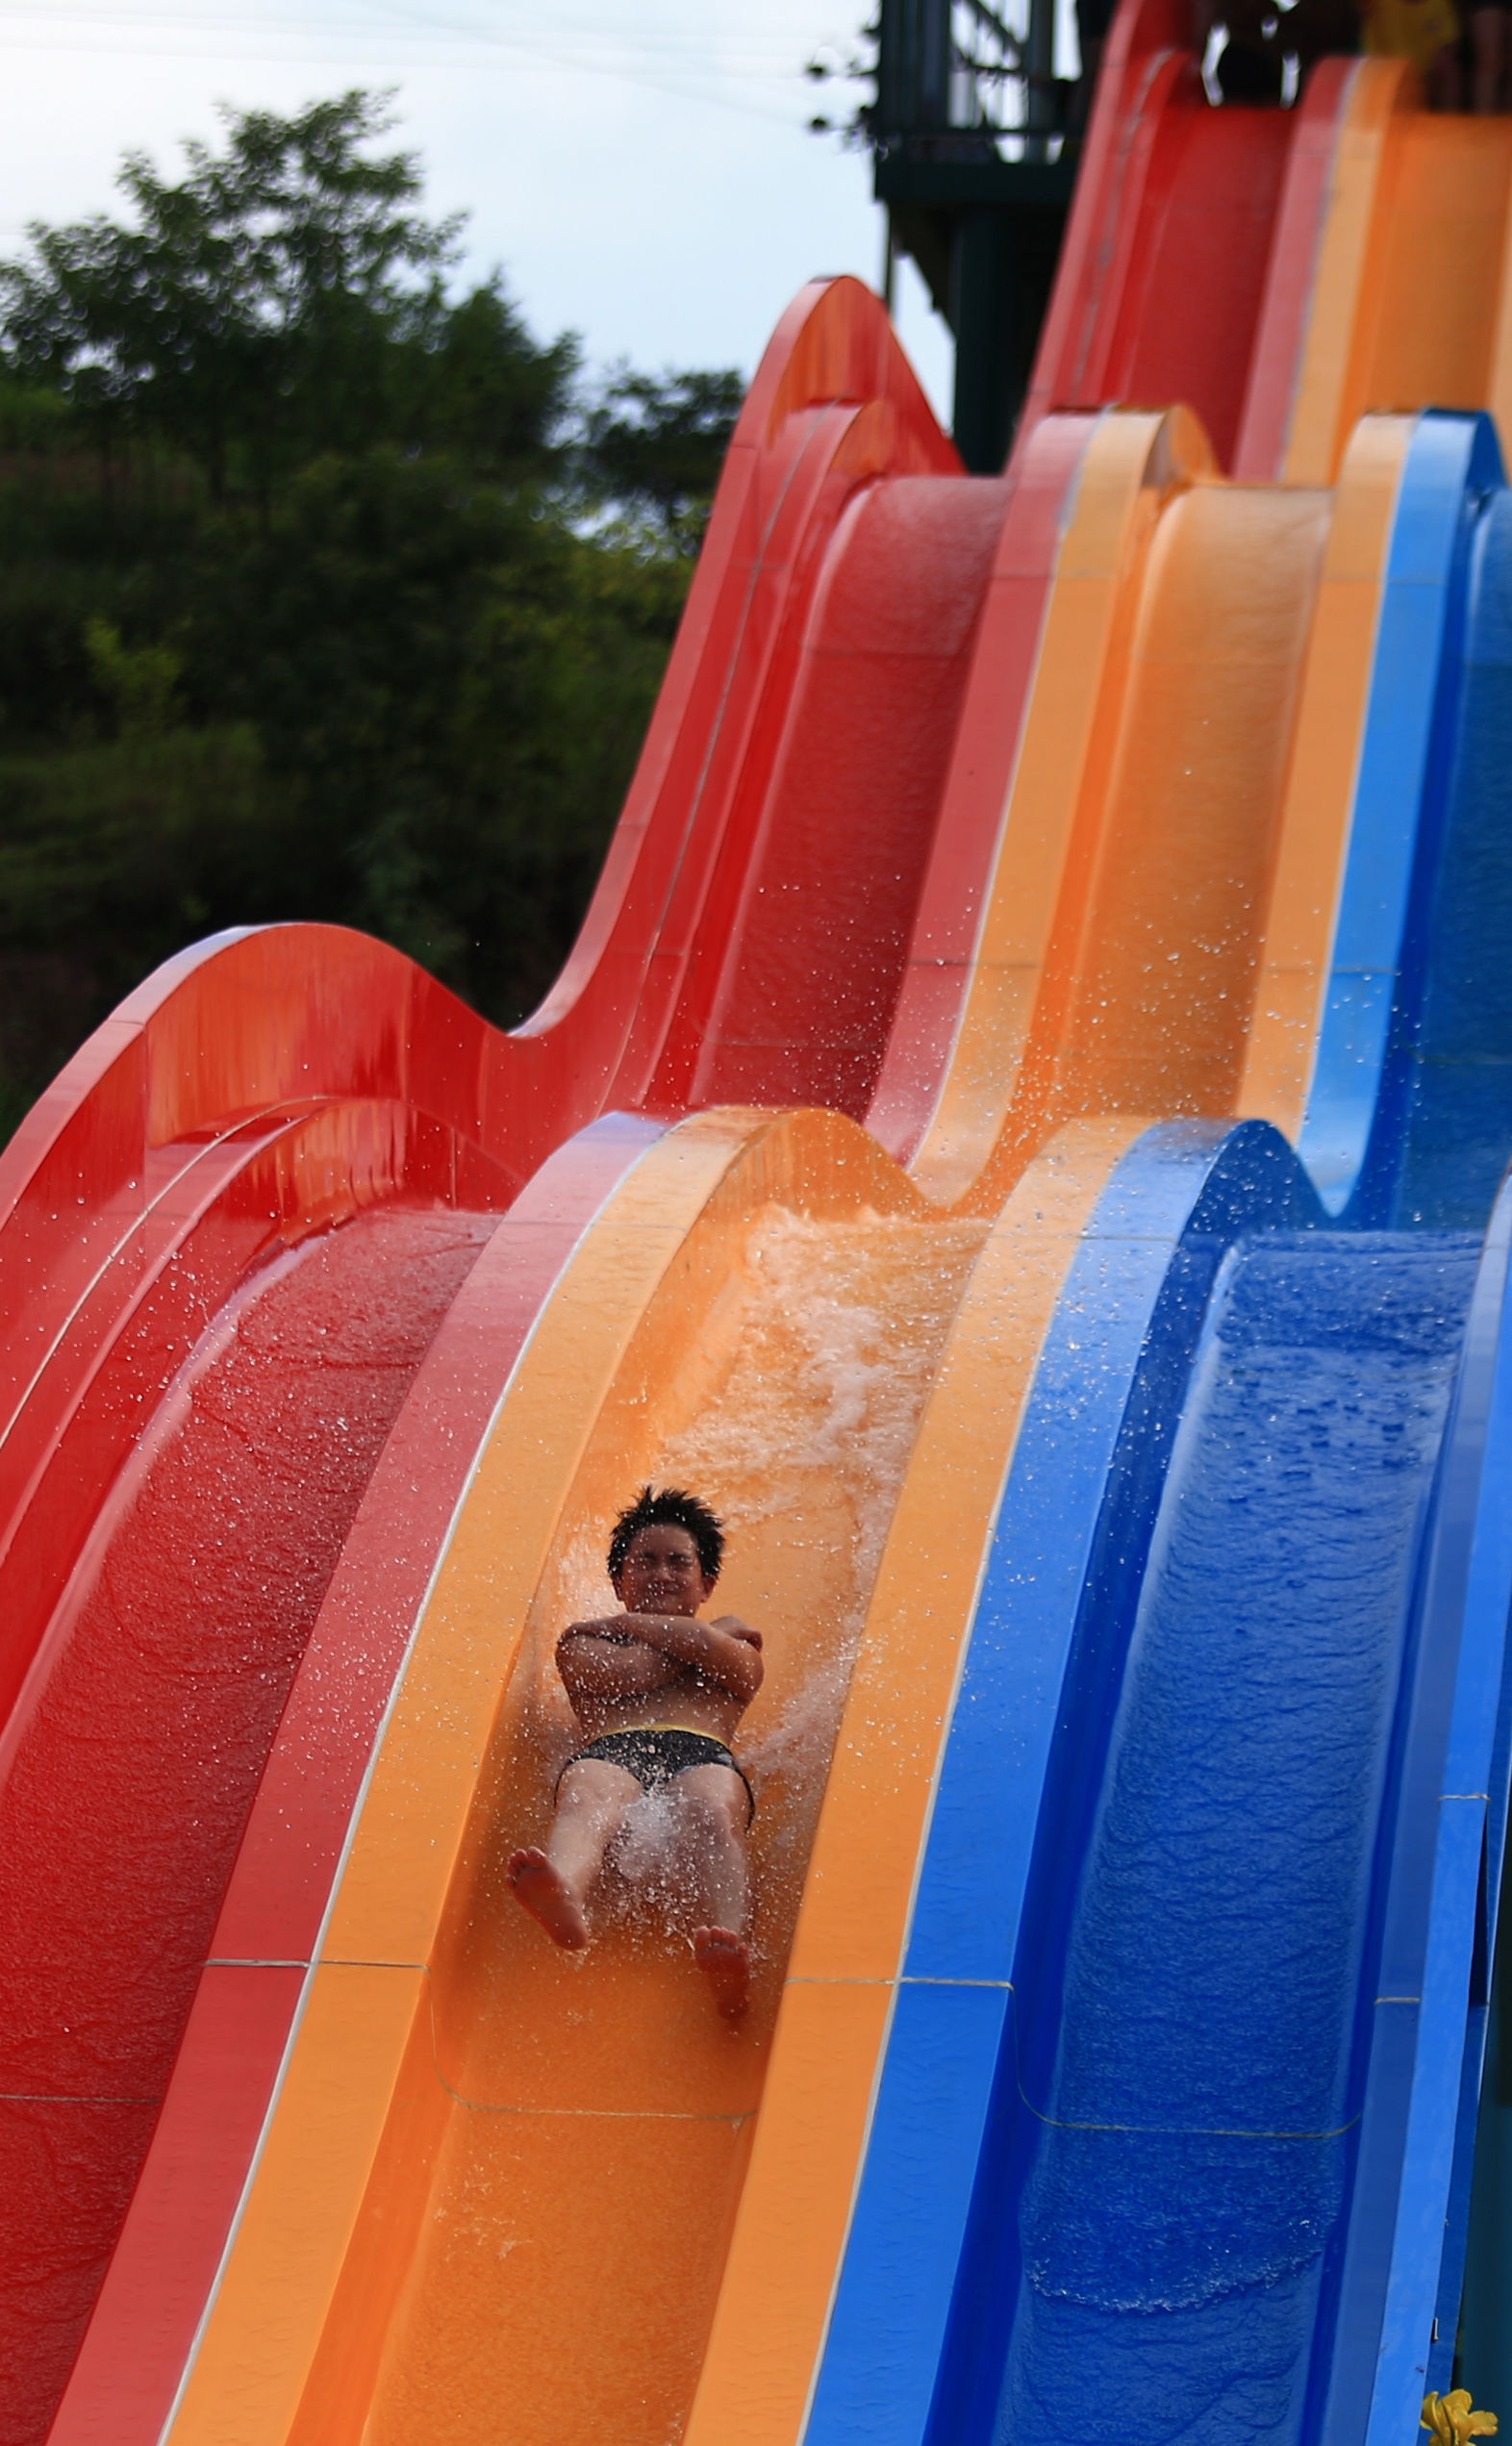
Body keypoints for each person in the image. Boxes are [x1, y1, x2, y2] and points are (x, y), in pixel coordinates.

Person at [507, 1485, 764, 2021]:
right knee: (588, 1792)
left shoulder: (738, 1653)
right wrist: (700, 1635)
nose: (661, 1573)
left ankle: (731, 1951)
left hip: (702, 1755)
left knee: (711, 1806)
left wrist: (642, 1627)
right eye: (644, 1561)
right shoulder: (581, 1645)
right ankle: (567, 1897)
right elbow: (632, 1673)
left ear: (706, 1582)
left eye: (678, 1562)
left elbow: (728, 1665)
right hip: (610, 1753)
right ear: (619, 1582)